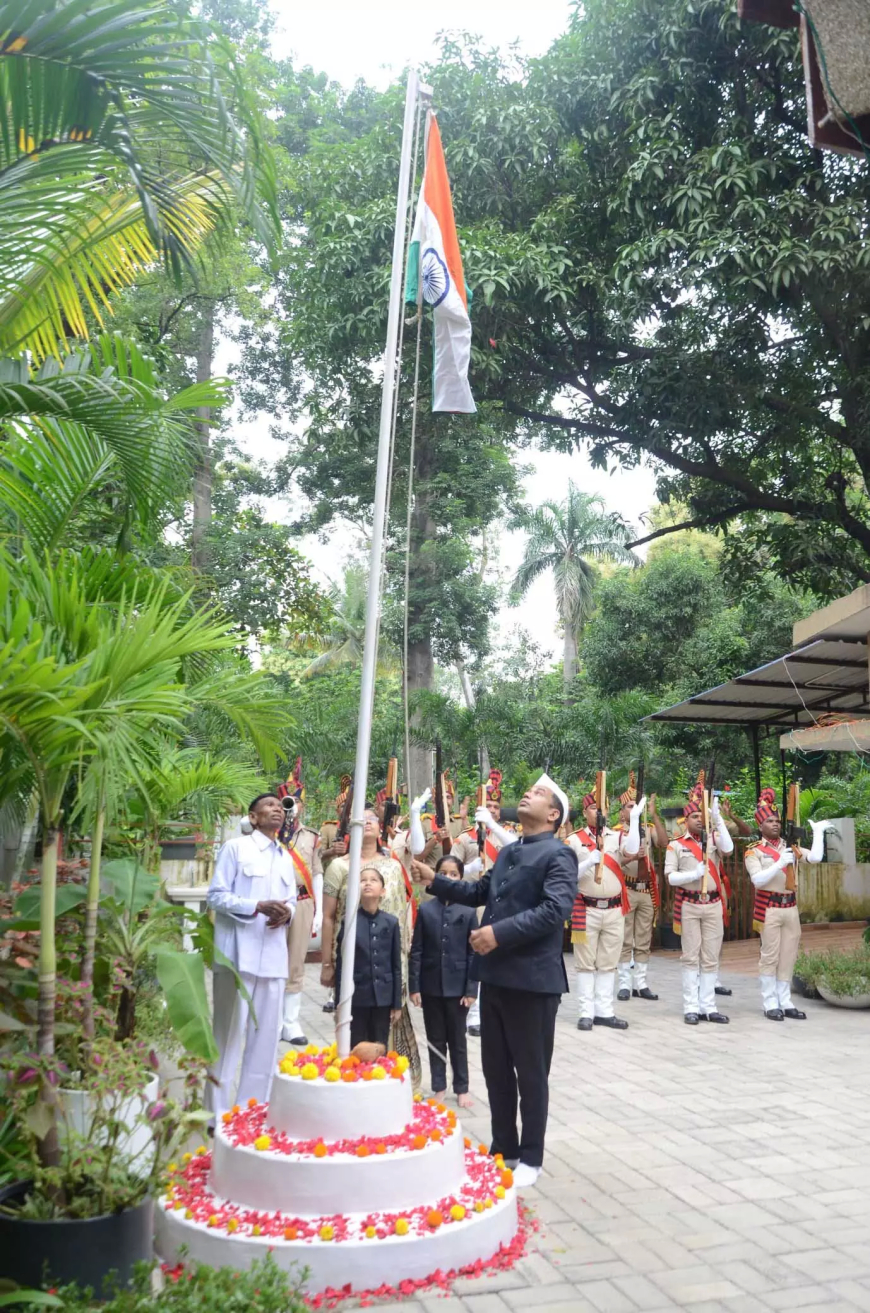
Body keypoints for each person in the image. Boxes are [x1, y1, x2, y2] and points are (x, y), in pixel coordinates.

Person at [417, 773, 577, 1190]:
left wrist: (497, 933)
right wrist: (435, 880)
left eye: (538, 792)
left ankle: (531, 1155)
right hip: (497, 977)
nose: (528, 793)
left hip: (534, 980)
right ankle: (503, 1148)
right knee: (496, 1070)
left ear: (553, 814)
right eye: (530, 789)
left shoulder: (558, 854)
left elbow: (553, 910)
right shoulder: (509, 853)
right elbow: (479, 892)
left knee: (530, 1072)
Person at [206, 793, 296, 1122]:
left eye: (280, 807)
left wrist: (287, 914)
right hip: (237, 957)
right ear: (253, 817)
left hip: (273, 958)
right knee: (227, 1038)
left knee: (265, 1042)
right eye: (269, 806)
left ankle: (250, 1113)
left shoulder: (286, 856)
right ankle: (215, 1118)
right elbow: (215, 896)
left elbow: (292, 901)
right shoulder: (235, 849)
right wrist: (255, 906)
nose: (277, 810)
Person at [321, 807, 422, 1086]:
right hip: (352, 961)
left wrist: (406, 958)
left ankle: (392, 1079)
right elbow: (329, 917)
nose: (366, 824)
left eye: (372, 820)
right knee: (353, 1022)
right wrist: (328, 964)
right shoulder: (339, 867)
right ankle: (354, 1077)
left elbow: (403, 912)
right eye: (361, 820)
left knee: (388, 1019)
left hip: (389, 959)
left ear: (380, 829)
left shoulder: (392, 866)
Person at [746, 787, 831, 1021]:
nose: (775, 824)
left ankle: (785, 1001)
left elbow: (814, 858)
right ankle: (769, 1001)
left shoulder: (789, 846)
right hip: (770, 908)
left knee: (788, 955)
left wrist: (819, 833)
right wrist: (778, 864)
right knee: (770, 956)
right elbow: (757, 880)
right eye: (770, 821)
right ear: (760, 825)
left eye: (777, 820)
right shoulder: (753, 851)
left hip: (790, 907)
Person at [449, 768, 516, 1037]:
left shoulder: (508, 836)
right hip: (471, 904)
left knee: (499, 957)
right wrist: (467, 868)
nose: (492, 809)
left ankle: (498, 1011)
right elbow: (450, 871)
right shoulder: (465, 837)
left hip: (500, 904)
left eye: (496, 806)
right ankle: (472, 1014)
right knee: (471, 958)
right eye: (487, 805)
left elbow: (518, 854)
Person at [567, 790, 641, 1032]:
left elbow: (633, 848)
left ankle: (605, 1012)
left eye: (602, 808)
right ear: (585, 812)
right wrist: (589, 860)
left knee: (609, 962)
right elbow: (567, 876)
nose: (599, 813)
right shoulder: (575, 840)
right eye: (593, 809)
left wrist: (635, 820)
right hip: (586, 908)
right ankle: (586, 1012)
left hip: (613, 909)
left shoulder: (616, 836)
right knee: (586, 963)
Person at [665, 775, 733, 1026]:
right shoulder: (676, 845)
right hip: (691, 904)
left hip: (713, 903)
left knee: (711, 956)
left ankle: (708, 1006)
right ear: (686, 820)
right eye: (696, 817)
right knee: (690, 956)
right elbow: (670, 877)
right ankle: (691, 1006)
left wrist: (718, 819)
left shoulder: (713, 839)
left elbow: (729, 848)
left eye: (702, 817)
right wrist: (693, 875)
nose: (699, 820)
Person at [410, 853, 477, 1106]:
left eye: (454, 874)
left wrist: (471, 989)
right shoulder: (426, 909)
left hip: (458, 988)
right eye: (443, 873)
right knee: (435, 1038)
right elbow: (416, 950)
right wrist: (415, 986)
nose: (448, 878)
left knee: (457, 1040)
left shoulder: (468, 911)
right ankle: (439, 1085)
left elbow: (473, 954)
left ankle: (462, 1087)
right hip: (431, 987)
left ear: (460, 878)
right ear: (434, 876)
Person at [279, 762, 324, 1047]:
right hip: (273, 903)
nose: (290, 807)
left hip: (303, 900)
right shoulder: (266, 834)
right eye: (286, 801)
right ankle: (269, 1019)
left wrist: (318, 910)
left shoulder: (311, 836)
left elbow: (316, 872)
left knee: (296, 962)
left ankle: (290, 1021)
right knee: (269, 962)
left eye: (295, 802)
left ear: (302, 807)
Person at [335, 866, 402, 1049]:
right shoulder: (349, 921)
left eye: (373, 880)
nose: (367, 883)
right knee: (356, 1046)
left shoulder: (391, 922)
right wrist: (339, 1003)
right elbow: (341, 964)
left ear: (383, 891)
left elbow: (396, 965)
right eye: (363, 880)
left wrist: (396, 1003)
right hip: (357, 996)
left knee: (379, 1046)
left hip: (383, 997)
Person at [615, 777, 668, 1002]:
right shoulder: (617, 832)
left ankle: (641, 983)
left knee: (644, 939)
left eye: (637, 805)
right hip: (627, 888)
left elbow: (664, 843)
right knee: (626, 939)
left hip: (646, 890)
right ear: (622, 812)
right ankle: (625, 984)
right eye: (630, 806)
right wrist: (630, 857)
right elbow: (614, 863)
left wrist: (654, 814)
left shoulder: (647, 827)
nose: (634, 809)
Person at [318, 776, 352, 1013]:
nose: (345, 812)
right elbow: (318, 855)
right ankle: (332, 992)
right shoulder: (329, 828)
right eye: (342, 807)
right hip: (333, 881)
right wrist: (332, 850)